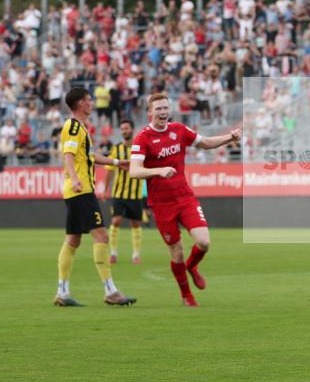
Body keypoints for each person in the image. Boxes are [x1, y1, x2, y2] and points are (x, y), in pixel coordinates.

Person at [128, 92, 241, 307]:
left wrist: (229, 137)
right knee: (176, 252)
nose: (163, 112)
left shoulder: (179, 130)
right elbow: (134, 171)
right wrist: (158, 171)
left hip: (185, 197)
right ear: (150, 112)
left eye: (165, 108)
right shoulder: (142, 138)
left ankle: (192, 266)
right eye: (158, 109)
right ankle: (186, 295)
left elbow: (205, 142)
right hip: (161, 204)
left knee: (204, 242)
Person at [54, 87, 136, 307]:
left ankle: (62, 292)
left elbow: (90, 156)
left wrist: (117, 163)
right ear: (81, 103)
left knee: (73, 239)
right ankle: (111, 291)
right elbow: (68, 154)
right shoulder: (73, 126)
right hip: (81, 191)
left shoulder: (79, 127)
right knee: (101, 236)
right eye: (89, 100)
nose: (92, 103)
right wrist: (76, 179)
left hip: (74, 191)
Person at [102, 119, 145, 265]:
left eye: (126, 128)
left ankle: (136, 255)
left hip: (135, 193)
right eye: (122, 129)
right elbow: (109, 171)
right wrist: (105, 190)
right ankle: (113, 253)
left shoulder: (140, 148)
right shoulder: (116, 149)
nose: (124, 131)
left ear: (132, 130)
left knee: (135, 223)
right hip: (119, 193)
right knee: (116, 221)